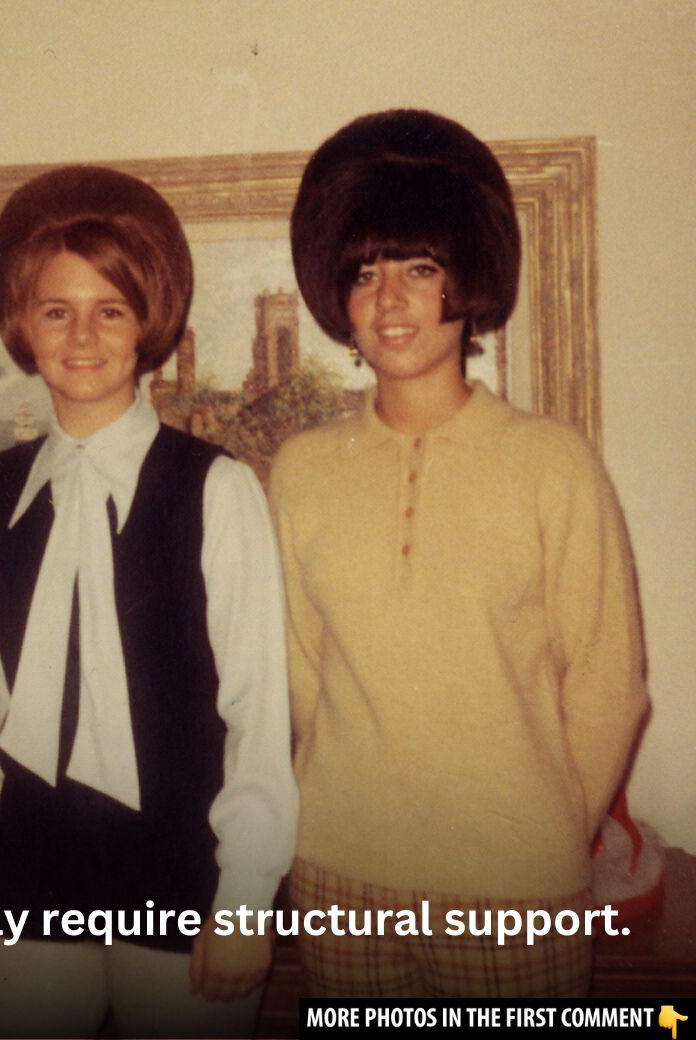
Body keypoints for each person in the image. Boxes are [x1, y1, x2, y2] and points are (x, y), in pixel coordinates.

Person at [270, 108, 648, 997]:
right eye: (365, 272)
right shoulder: (301, 469)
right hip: (339, 880)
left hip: (514, 888)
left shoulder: (552, 462)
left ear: (467, 277)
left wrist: (546, 838)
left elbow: (609, 682)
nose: (389, 299)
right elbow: (303, 678)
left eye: (419, 267)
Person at [0, 166, 298, 1038]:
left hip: (183, 871)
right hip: (39, 865)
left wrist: (246, 899)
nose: (82, 336)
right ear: (22, 325)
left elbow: (257, 706)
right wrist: (0, 843)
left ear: (147, 322)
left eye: (109, 310)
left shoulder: (213, 487)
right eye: (56, 310)